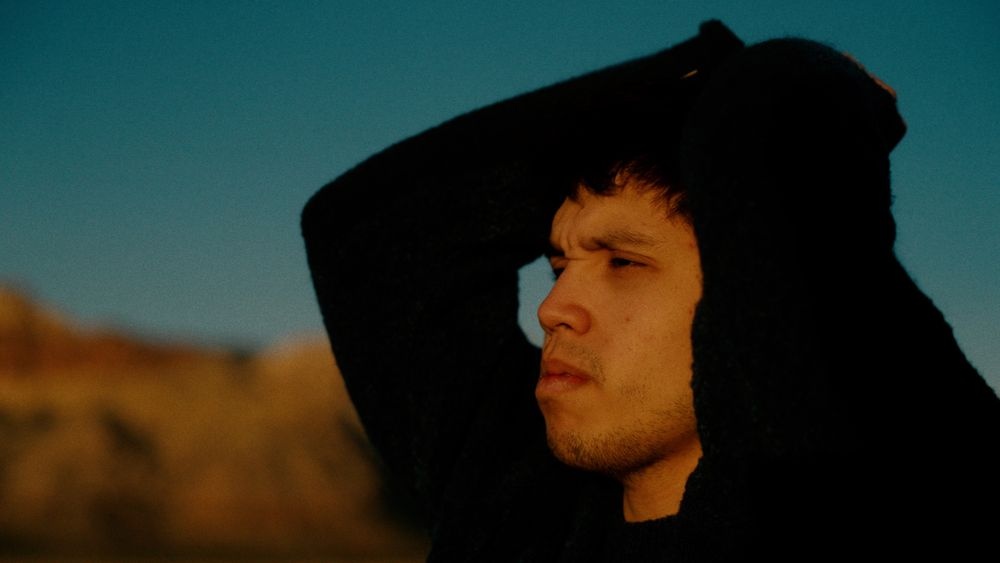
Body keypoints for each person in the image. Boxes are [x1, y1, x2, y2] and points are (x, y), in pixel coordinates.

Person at [302, 21, 999, 561]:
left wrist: (790, 91)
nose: (551, 309)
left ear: (752, 292)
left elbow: (755, 120)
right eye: (558, 266)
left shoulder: (859, 505)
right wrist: (675, 76)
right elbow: (370, 234)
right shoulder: (511, 510)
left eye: (623, 262)